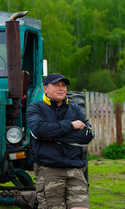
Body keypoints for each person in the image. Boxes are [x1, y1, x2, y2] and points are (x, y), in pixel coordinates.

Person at [27, 73, 94, 209]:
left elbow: (87, 135)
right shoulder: (36, 108)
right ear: (45, 89)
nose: (61, 88)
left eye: (63, 85)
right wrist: (71, 126)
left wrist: (53, 136)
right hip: (50, 169)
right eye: (56, 85)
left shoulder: (74, 109)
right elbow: (39, 130)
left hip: (75, 169)